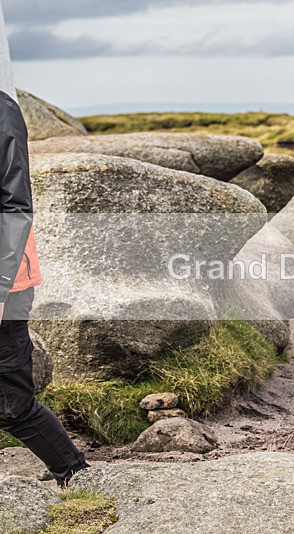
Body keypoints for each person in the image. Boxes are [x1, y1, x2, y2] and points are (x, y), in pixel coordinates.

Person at [0, 89, 89, 486]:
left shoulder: (1, 111)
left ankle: (74, 475)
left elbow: (15, 206)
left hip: (7, 285)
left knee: (11, 406)